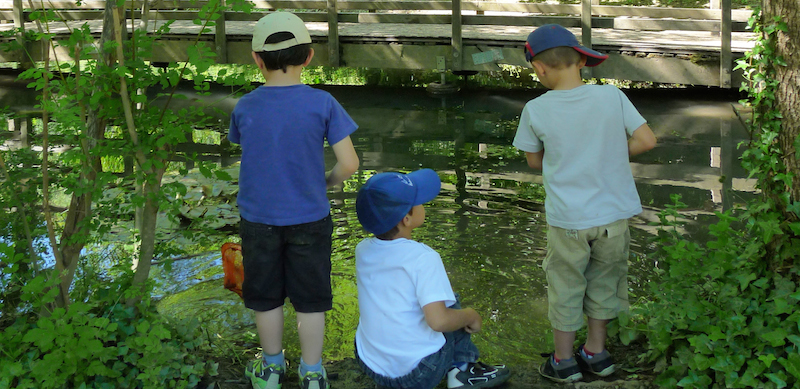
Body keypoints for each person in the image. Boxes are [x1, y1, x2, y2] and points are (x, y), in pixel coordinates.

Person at [513, 24, 657, 383]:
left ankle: (563, 361)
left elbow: (534, 161)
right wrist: (606, 155)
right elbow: (646, 140)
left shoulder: (535, 109)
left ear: (540, 69)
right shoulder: (612, 97)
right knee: (605, 282)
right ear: (581, 61)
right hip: (613, 217)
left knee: (565, 285)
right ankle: (596, 353)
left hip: (568, 220)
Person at [228, 11, 360, 389]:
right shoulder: (323, 104)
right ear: (309, 57)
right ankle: (313, 372)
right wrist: (326, 182)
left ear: (256, 59)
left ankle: (270, 370)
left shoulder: (245, 106)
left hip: (259, 220)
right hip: (310, 218)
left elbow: (249, 149)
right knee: (310, 299)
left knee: (265, 297)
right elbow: (349, 163)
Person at [353, 169, 511, 389]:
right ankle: (462, 370)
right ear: (406, 219)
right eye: (417, 201)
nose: (422, 204)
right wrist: (470, 315)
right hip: (419, 374)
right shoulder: (424, 257)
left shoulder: (362, 250)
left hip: (370, 365)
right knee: (450, 302)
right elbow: (438, 322)